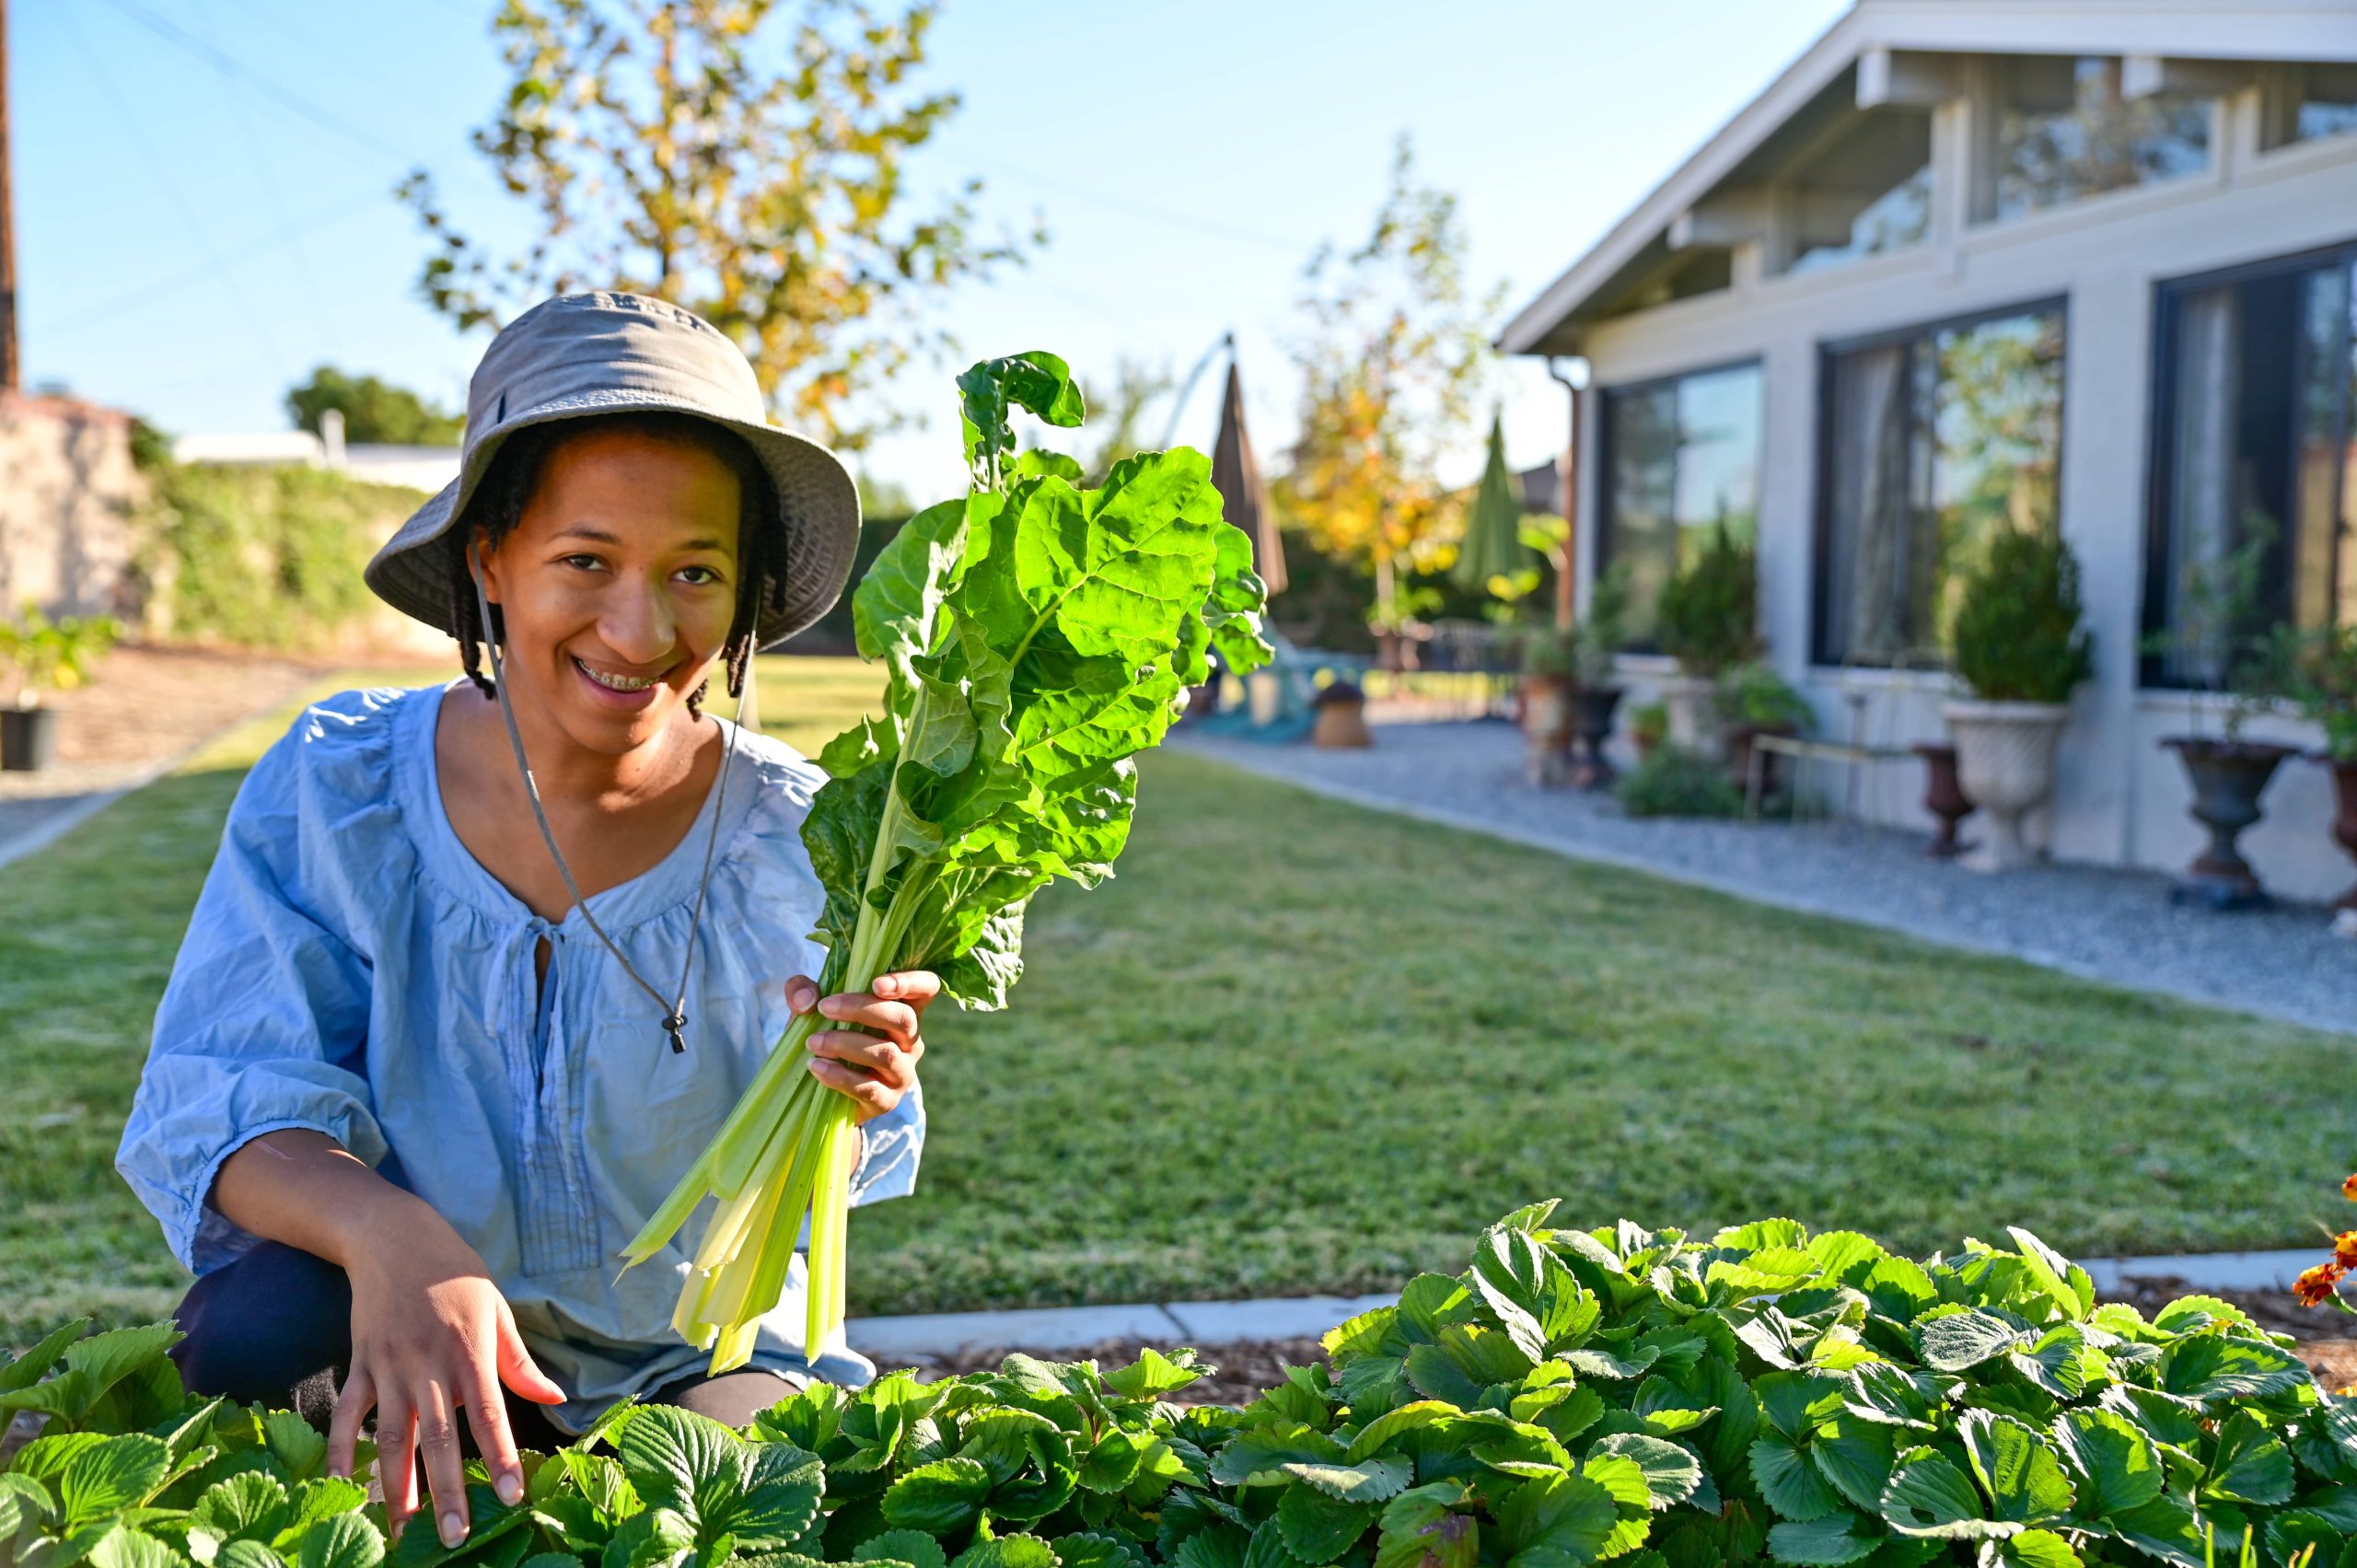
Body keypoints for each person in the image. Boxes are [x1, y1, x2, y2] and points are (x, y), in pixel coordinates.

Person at [116, 293, 933, 1551]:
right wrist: (392, 1236)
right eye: (585, 561)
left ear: (747, 593)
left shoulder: (810, 840)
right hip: (414, 1318)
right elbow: (224, 1104)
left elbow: (830, 1183)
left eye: (695, 574)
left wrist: (853, 1082)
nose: (641, 630)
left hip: (693, 1358)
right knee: (260, 1324)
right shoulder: (340, 790)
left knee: (717, 1505)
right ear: (490, 558)